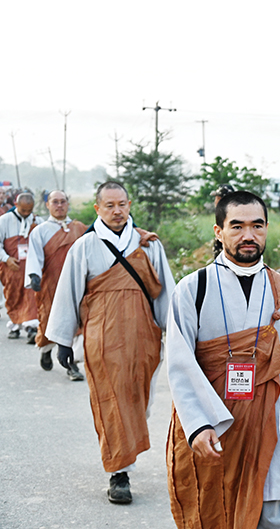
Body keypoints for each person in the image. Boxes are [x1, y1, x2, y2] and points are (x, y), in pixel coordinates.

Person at [165, 191, 280, 529]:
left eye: (257, 226)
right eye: (237, 226)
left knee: (271, 513)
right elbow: (179, 364)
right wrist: (198, 424)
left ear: (267, 228)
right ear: (218, 231)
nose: (248, 236)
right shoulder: (193, 288)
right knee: (212, 510)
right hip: (212, 424)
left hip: (266, 424)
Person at [46, 181, 175, 505]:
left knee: (138, 403)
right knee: (111, 402)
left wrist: (175, 336)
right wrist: (62, 340)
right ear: (97, 209)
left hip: (144, 339)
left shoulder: (148, 245)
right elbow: (68, 293)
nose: (117, 211)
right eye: (109, 205)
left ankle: (125, 454)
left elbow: (167, 297)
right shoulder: (85, 246)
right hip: (101, 340)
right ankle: (119, 474)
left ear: (129, 205)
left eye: (122, 205)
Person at [24, 190, 88, 379]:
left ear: (68, 204)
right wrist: (34, 275)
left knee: (78, 323)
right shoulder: (40, 231)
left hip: (77, 285)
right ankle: (45, 350)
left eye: (63, 202)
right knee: (51, 323)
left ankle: (71, 365)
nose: (59, 205)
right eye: (55, 202)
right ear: (47, 205)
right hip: (51, 286)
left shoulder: (79, 228)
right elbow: (34, 255)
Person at [0, 192, 43, 342]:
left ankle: (32, 328)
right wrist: (6, 258)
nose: (26, 214)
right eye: (23, 210)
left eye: (29, 211)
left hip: (31, 267)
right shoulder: (4, 220)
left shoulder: (38, 221)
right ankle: (15, 325)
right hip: (11, 266)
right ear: (16, 205)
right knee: (13, 296)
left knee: (31, 297)